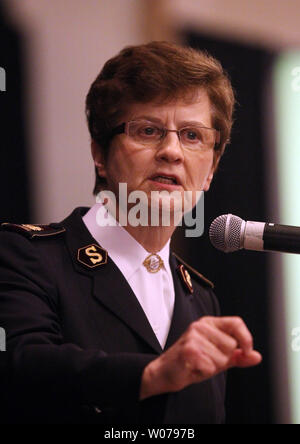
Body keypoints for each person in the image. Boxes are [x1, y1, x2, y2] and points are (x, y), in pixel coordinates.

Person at [0, 41, 261, 424]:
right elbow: (21, 366)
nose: (172, 151)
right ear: (99, 155)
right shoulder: (26, 256)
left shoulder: (203, 300)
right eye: (149, 130)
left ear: (210, 170)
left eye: (192, 136)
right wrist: (151, 375)